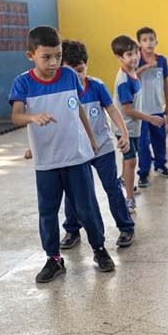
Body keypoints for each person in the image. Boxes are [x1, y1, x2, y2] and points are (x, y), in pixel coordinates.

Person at [9, 26, 114, 283]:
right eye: (46, 57)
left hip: (76, 157)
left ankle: (99, 250)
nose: (54, 62)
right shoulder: (23, 82)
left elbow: (77, 107)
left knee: (86, 208)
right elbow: (15, 116)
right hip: (46, 163)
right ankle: (54, 259)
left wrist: (90, 139)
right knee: (48, 211)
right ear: (30, 55)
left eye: (57, 56)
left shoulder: (68, 75)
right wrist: (32, 117)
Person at [56, 40, 135, 250]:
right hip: (76, 151)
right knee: (73, 192)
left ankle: (126, 226)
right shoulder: (60, 94)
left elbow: (112, 110)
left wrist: (124, 134)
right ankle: (72, 230)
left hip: (102, 148)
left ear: (86, 66)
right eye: (70, 71)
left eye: (80, 70)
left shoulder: (97, 86)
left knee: (112, 188)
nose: (76, 76)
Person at [112, 35, 166, 214]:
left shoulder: (133, 72)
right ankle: (129, 197)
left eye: (135, 53)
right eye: (129, 54)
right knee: (131, 160)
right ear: (119, 58)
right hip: (125, 127)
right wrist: (150, 118)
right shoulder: (123, 81)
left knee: (129, 160)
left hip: (134, 126)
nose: (134, 57)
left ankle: (124, 180)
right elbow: (127, 110)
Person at [135, 27, 168, 188]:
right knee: (143, 143)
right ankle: (143, 172)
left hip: (157, 107)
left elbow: (165, 83)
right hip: (142, 111)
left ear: (156, 41)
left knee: (160, 138)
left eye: (151, 39)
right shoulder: (136, 60)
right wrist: (145, 67)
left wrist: (167, 104)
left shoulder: (162, 60)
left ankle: (160, 164)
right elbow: (132, 75)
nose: (148, 43)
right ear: (139, 43)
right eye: (144, 40)